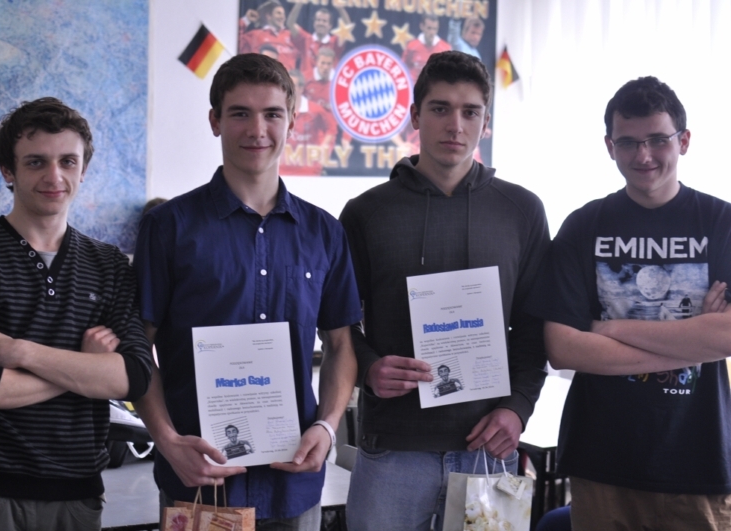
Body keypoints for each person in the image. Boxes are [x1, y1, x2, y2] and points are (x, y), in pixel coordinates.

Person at [133, 53, 361, 529]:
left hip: (292, 483)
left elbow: (341, 344)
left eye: (272, 114)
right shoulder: (168, 227)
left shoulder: (324, 232)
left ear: (292, 121)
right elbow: (137, 348)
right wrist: (168, 442)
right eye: (240, 113)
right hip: (198, 480)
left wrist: (327, 425)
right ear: (215, 121)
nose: (257, 129)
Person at [339, 51, 550, 531]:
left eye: (470, 112)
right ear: (416, 116)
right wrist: (368, 367)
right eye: (440, 109)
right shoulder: (366, 213)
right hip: (392, 450)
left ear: (486, 122)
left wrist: (518, 408)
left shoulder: (522, 211)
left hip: (488, 449)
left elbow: (535, 326)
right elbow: (336, 323)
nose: (455, 125)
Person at [0, 97, 153, 531]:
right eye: (36, 162)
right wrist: (86, 369)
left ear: (83, 169)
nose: (54, 176)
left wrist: (21, 352)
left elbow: (133, 376)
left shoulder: (109, 264)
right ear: (7, 171)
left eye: (68, 161)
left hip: (79, 497)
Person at [530, 76, 731, 530]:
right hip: (602, 463)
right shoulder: (583, 226)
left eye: (658, 139)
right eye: (628, 142)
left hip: (700, 461)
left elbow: (728, 338)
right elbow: (563, 348)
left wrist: (607, 328)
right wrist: (695, 339)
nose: (643, 156)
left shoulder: (721, 223)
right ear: (610, 146)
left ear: (683, 141)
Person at [282, 69, 337, 176]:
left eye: (293, 85)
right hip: (282, 170)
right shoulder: (277, 110)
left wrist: (322, 151)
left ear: (301, 88)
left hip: (308, 171)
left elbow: (332, 129)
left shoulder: (315, 110)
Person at [285, 4, 350, 78]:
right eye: (318, 20)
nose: (321, 23)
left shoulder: (335, 42)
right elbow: (290, 23)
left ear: (330, 25)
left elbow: (347, 27)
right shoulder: (305, 39)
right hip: (306, 83)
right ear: (314, 23)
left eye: (324, 21)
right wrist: (299, 4)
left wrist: (340, 9)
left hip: (328, 84)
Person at [239, 0, 301, 72]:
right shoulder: (256, 35)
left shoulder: (292, 36)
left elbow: (307, 50)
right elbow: (235, 40)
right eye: (278, 13)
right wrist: (246, 20)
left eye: (283, 14)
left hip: (287, 78)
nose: (282, 17)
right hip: (263, 76)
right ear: (269, 16)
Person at [402, 14, 452, 82]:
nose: (432, 32)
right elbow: (403, 68)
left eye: (435, 29)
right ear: (422, 26)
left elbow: (448, 73)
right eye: (429, 28)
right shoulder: (411, 46)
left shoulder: (446, 49)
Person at [304, 47, 335, 112]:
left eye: (329, 64)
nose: (325, 67)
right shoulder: (305, 78)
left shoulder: (338, 82)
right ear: (317, 62)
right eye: (322, 63)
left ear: (333, 64)